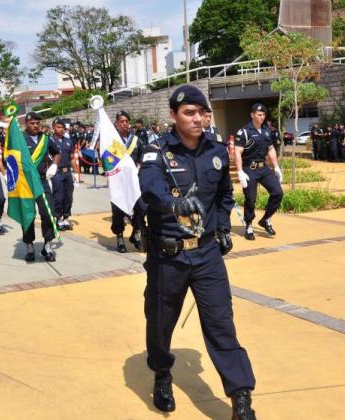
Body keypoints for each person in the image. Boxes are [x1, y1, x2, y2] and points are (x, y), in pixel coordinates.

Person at [139, 85, 256, 418]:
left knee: (221, 324)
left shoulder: (215, 151)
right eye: (189, 112)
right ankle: (162, 372)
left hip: (206, 256)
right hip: (168, 257)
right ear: (174, 116)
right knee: (160, 325)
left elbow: (223, 195)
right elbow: (150, 188)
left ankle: (241, 397)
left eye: (202, 113)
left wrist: (221, 228)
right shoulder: (156, 151)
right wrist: (173, 203)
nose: (197, 119)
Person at [235, 104, 283, 240]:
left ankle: (266, 219)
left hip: (264, 168)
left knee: (278, 193)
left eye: (263, 115)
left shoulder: (266, 130)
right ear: (252, 115)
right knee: (250, 199)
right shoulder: (244, 131)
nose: (262, 117)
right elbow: (237, 152)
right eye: (259, 114)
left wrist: (276, 166)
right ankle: (249, 225)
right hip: (248, 169)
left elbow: (270, 149)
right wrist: (239, 172)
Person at [20, 112, 60, 262]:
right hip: (26, 182)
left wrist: (54, 165)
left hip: (42, 181)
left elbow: (56, 153)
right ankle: (29, 246)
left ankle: (47, 245)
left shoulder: (45, 138)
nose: (35, 126)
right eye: (32, 123)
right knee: (28, 215)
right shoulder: (20, 139)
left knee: (49, 213)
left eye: (37, 123)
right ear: (26, 123)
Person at [111, 110, 146, 253]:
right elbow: (107, 161)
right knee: (118, 210)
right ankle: (119, 237)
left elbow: (143, 157)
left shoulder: (136, 140)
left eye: (126, 121)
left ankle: (135, 233)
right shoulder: (112, 141)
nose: (124, 124)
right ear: (116, 124)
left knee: (142, 207)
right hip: (118, 182)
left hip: (135, 181)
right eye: (121, 122)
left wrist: (139, 167)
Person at [49, 118, 76, 231]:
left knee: (68, 197)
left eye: (62, 128)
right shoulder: (50, 141)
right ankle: (58, 219)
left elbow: (72, 157)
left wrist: (75, 172)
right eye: (58, 127)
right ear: (53, 128)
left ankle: (66, 218)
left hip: (67, 172)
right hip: (57, 172)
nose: (61, 129)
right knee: (58, 197)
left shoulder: (68, 141)